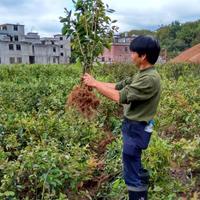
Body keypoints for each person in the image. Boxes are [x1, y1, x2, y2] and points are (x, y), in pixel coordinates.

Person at [83, 35, 161, 200]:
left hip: (137, 128)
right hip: (133, 127)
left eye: (133, 52)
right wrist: (95, 82)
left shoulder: (149, 79)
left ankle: (138, 197)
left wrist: (95, 85)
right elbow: (118, 86)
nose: (130, 55)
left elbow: (120, 96)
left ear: (143, 55)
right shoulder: (142, 74)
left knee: (132, 169)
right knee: (133, 164)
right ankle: (140, 191)